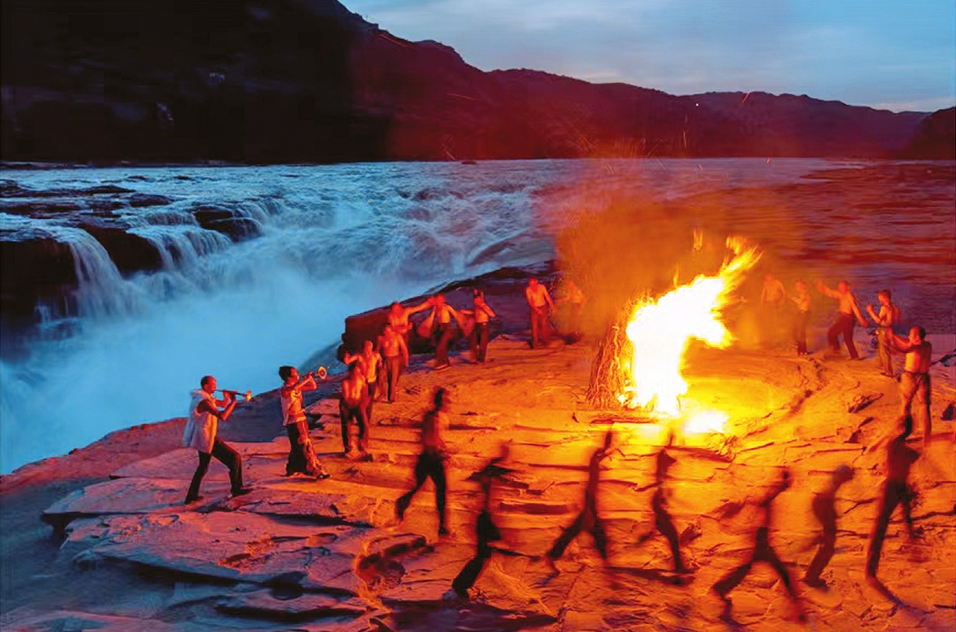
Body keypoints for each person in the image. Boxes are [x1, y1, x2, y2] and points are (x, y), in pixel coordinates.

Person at [712, 469, 802, 614]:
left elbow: (765, 499)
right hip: (761, 541)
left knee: (746, 568)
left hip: (762, 540)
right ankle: (797, 605)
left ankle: (721, 588)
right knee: (782, 571)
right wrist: (782, 486)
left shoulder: (766, 496)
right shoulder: (767, 496)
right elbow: (766, 498)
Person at [450, 444, 514, 598]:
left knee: (484, 556)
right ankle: (460, 585)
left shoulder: (490, 473)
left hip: (486, 517)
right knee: (482, 556)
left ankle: (462, 584)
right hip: (484, 518)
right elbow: (495, 472)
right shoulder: (489, 474)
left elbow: (499, 470)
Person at [546, 430, 614, 570]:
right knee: (593, 531)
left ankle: (553, 555)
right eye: (610, 440)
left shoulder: (599, 455)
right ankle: (606, 561)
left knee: (576, 530)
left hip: (591, 498)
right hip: (590, 498)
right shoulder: (597, 455)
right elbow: (593, 477)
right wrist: (589, 506)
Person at [866, 415, 919, 581]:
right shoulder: (897, 445)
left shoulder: (897, 444)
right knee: (882, 523)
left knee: (904, 520)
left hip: (899, 486)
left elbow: (912, 455)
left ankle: (914, 551)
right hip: (893, 486)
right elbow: (913, 455)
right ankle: (870, 568)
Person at [183, 375, 250, 504]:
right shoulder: (204, 401)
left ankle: (191, 496)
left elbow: (222, 404)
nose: (215, 387)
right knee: (234, 457)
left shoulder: (207, 397)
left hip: (203, 435)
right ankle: (236, 488)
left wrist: (228, 397)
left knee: (203, 466)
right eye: (213, 384)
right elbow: (222, 416)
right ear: (205, 386)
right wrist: (234, 402)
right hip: (205, 437)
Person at [396, 387, 451, 536]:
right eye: (444, 400)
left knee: (421, 487)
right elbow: (431, 439)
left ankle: (402, 503)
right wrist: (440, 453)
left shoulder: (438, 416)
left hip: (428, 457)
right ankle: (442, 526)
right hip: (431, 458)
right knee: (440, 491)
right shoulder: (434, 418)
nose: (447, 403)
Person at [803, 464, 854, 587]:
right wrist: (829, 516)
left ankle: (811, 575)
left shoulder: (835, 481)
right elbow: (827, 498)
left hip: (823, 506)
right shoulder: (835, 482)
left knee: (827, 545)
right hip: (824, 506)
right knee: (828, 547)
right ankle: (811, 577)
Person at [279, 366, 330, 479]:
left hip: (301, 419)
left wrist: (310, 378)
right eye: (295, 373)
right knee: (304, 445)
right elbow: (294, 388)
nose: (298, 375)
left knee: (297, 445)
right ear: (288, 377)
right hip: (293, 421)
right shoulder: (285, 389)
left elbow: (313, 386)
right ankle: (314, 469)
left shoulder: (296, 388)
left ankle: (291, 468)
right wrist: (306, 379)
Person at [889, 326, 933, 444]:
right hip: (924, 377)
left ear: (916, 337)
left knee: (905, 405)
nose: (909, 337)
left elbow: (903, 347)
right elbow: (903, 346)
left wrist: (892, 335)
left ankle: (902, 434)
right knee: (924, 406)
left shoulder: (913, 346)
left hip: (910, 377)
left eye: (911, 335)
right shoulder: (928, 345)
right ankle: (927, 438)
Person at [816, 279, 868, 360]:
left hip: (848, 319)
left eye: (842, 287)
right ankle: (854, 356)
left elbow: (855, 308)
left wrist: (861, 319)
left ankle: (836, 352)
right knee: (847, 338)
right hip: (844, 318)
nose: (840, 288)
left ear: (847, 287)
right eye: (839, 286)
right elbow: (830, 293)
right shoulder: (841, 294)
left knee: (832, 333)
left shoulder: (849, 296)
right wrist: (821, 286)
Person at [344, 339, 383, 422]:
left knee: (370, 400)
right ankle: (360, 417)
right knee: (361, 400)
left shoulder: (376, 355)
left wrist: (380, 364)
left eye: (369, 348)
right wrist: (346, 357)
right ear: (364, 349)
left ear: (371, 348)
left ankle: (367, 418)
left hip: (372, 380)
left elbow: (380, 361)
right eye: (366, 348)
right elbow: (348, 361)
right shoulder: (359, 356)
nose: (368, 350)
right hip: (362, 382)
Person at [866, 289, 902, 377]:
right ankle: (885, 366)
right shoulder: (895, 307)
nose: (878, 299)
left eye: (879, 297)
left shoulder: (884, 308)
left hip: (884, 330)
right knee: (886, 350)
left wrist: (870, 311)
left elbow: (878, 320)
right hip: (891, 329)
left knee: (884, 351)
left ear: (883, 297)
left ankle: (888, 372)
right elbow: (897, 320)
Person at [339, 363, 370, 460]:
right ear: (350, 373)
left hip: (358, 403)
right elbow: (346, 397)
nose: (356, 374)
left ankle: (362, 444)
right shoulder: (345, 382)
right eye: (354, 372)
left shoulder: (361, 380)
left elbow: (365, 392)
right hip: (347, 404)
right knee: (346, 426)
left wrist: (363, 403)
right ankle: (348, 448)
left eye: (358, 372)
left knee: (364, 424)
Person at [420, 294, 459, 370]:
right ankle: (447, 363)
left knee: (440, 346)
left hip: (446, 327)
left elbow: (455, 315)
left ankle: (440, 363)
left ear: (443, 300)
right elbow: (431, 317)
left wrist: (461, 324)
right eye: (437, 299)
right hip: (439, 327)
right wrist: (427, 327)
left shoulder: (447, 307)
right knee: (442, 346)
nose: (438, 300)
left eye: (440, 299)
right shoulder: (435, 308)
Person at [461, 289, 497, 362]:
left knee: (482, 342)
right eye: (474, 300)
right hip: (477, 325)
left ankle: (481, 358)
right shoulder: (476, 307)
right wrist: (464, 311)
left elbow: (492, 315)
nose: (474, 302)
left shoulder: (484, 306)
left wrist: (483, 307)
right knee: (474, 341)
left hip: (483, 325)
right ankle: (475, 357)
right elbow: (473, 313)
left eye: (476, 300)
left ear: (480, 300)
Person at [380, 322, 409, 403]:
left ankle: (391, 398)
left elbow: (404, 348)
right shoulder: (382, 338)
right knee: (381, 377)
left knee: (393, 379)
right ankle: (382, 393)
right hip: (386, 359)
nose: (386, 332)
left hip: (395, 359)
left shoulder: (397, 337)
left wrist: (406, 360)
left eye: (388, 330)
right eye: (385, 331)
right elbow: (378, 350)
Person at [526, 278, 555, 349]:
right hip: (534, 308)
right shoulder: (528, 290)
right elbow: (530, 301)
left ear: (537, 283)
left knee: (544, 324)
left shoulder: (542, 287)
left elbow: (547, 297)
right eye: (530, 284)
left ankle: (546, 341)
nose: (532, 286)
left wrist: (552, 306)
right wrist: (536, 309)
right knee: (534, 326)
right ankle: (535, 343)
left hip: (543, 306)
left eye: (533, 284)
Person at [556, 277, 586, 343]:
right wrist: (560, 300)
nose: (568, 285)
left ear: (573, 283)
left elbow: (583, 299)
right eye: (568, 284)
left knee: (576, 321)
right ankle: (573, 335)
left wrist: (581, 308)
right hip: (573, 306)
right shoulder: (570, 290)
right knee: (572, 321)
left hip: (577, 305)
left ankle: (577, 335)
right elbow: (568, 297)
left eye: (569, 283)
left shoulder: (578, 290)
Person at [760, 273, 787, 345]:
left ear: (772, 276)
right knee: (767, 320)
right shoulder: (766, 283)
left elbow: (784, 292)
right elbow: (763, 293)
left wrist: (782, 301)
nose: (767, 278)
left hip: (774, 303)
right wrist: (762, 303)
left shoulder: (778, 283)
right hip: (767, 303)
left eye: (768, 277)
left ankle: (775, 338)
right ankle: (768, 338)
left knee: (774, 320)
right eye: (766, 277)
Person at [789, 281, 811, 355]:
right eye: (796, 286)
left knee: (801, 332)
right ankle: (801, 349)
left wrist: (791, 297)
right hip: (801, 313)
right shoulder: (802, 293)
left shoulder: (804, 293)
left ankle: (802, 350)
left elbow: (799, 302)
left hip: (804, 313)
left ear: (803, 286)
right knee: (797, 330)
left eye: (798, 285)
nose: (796, 287)